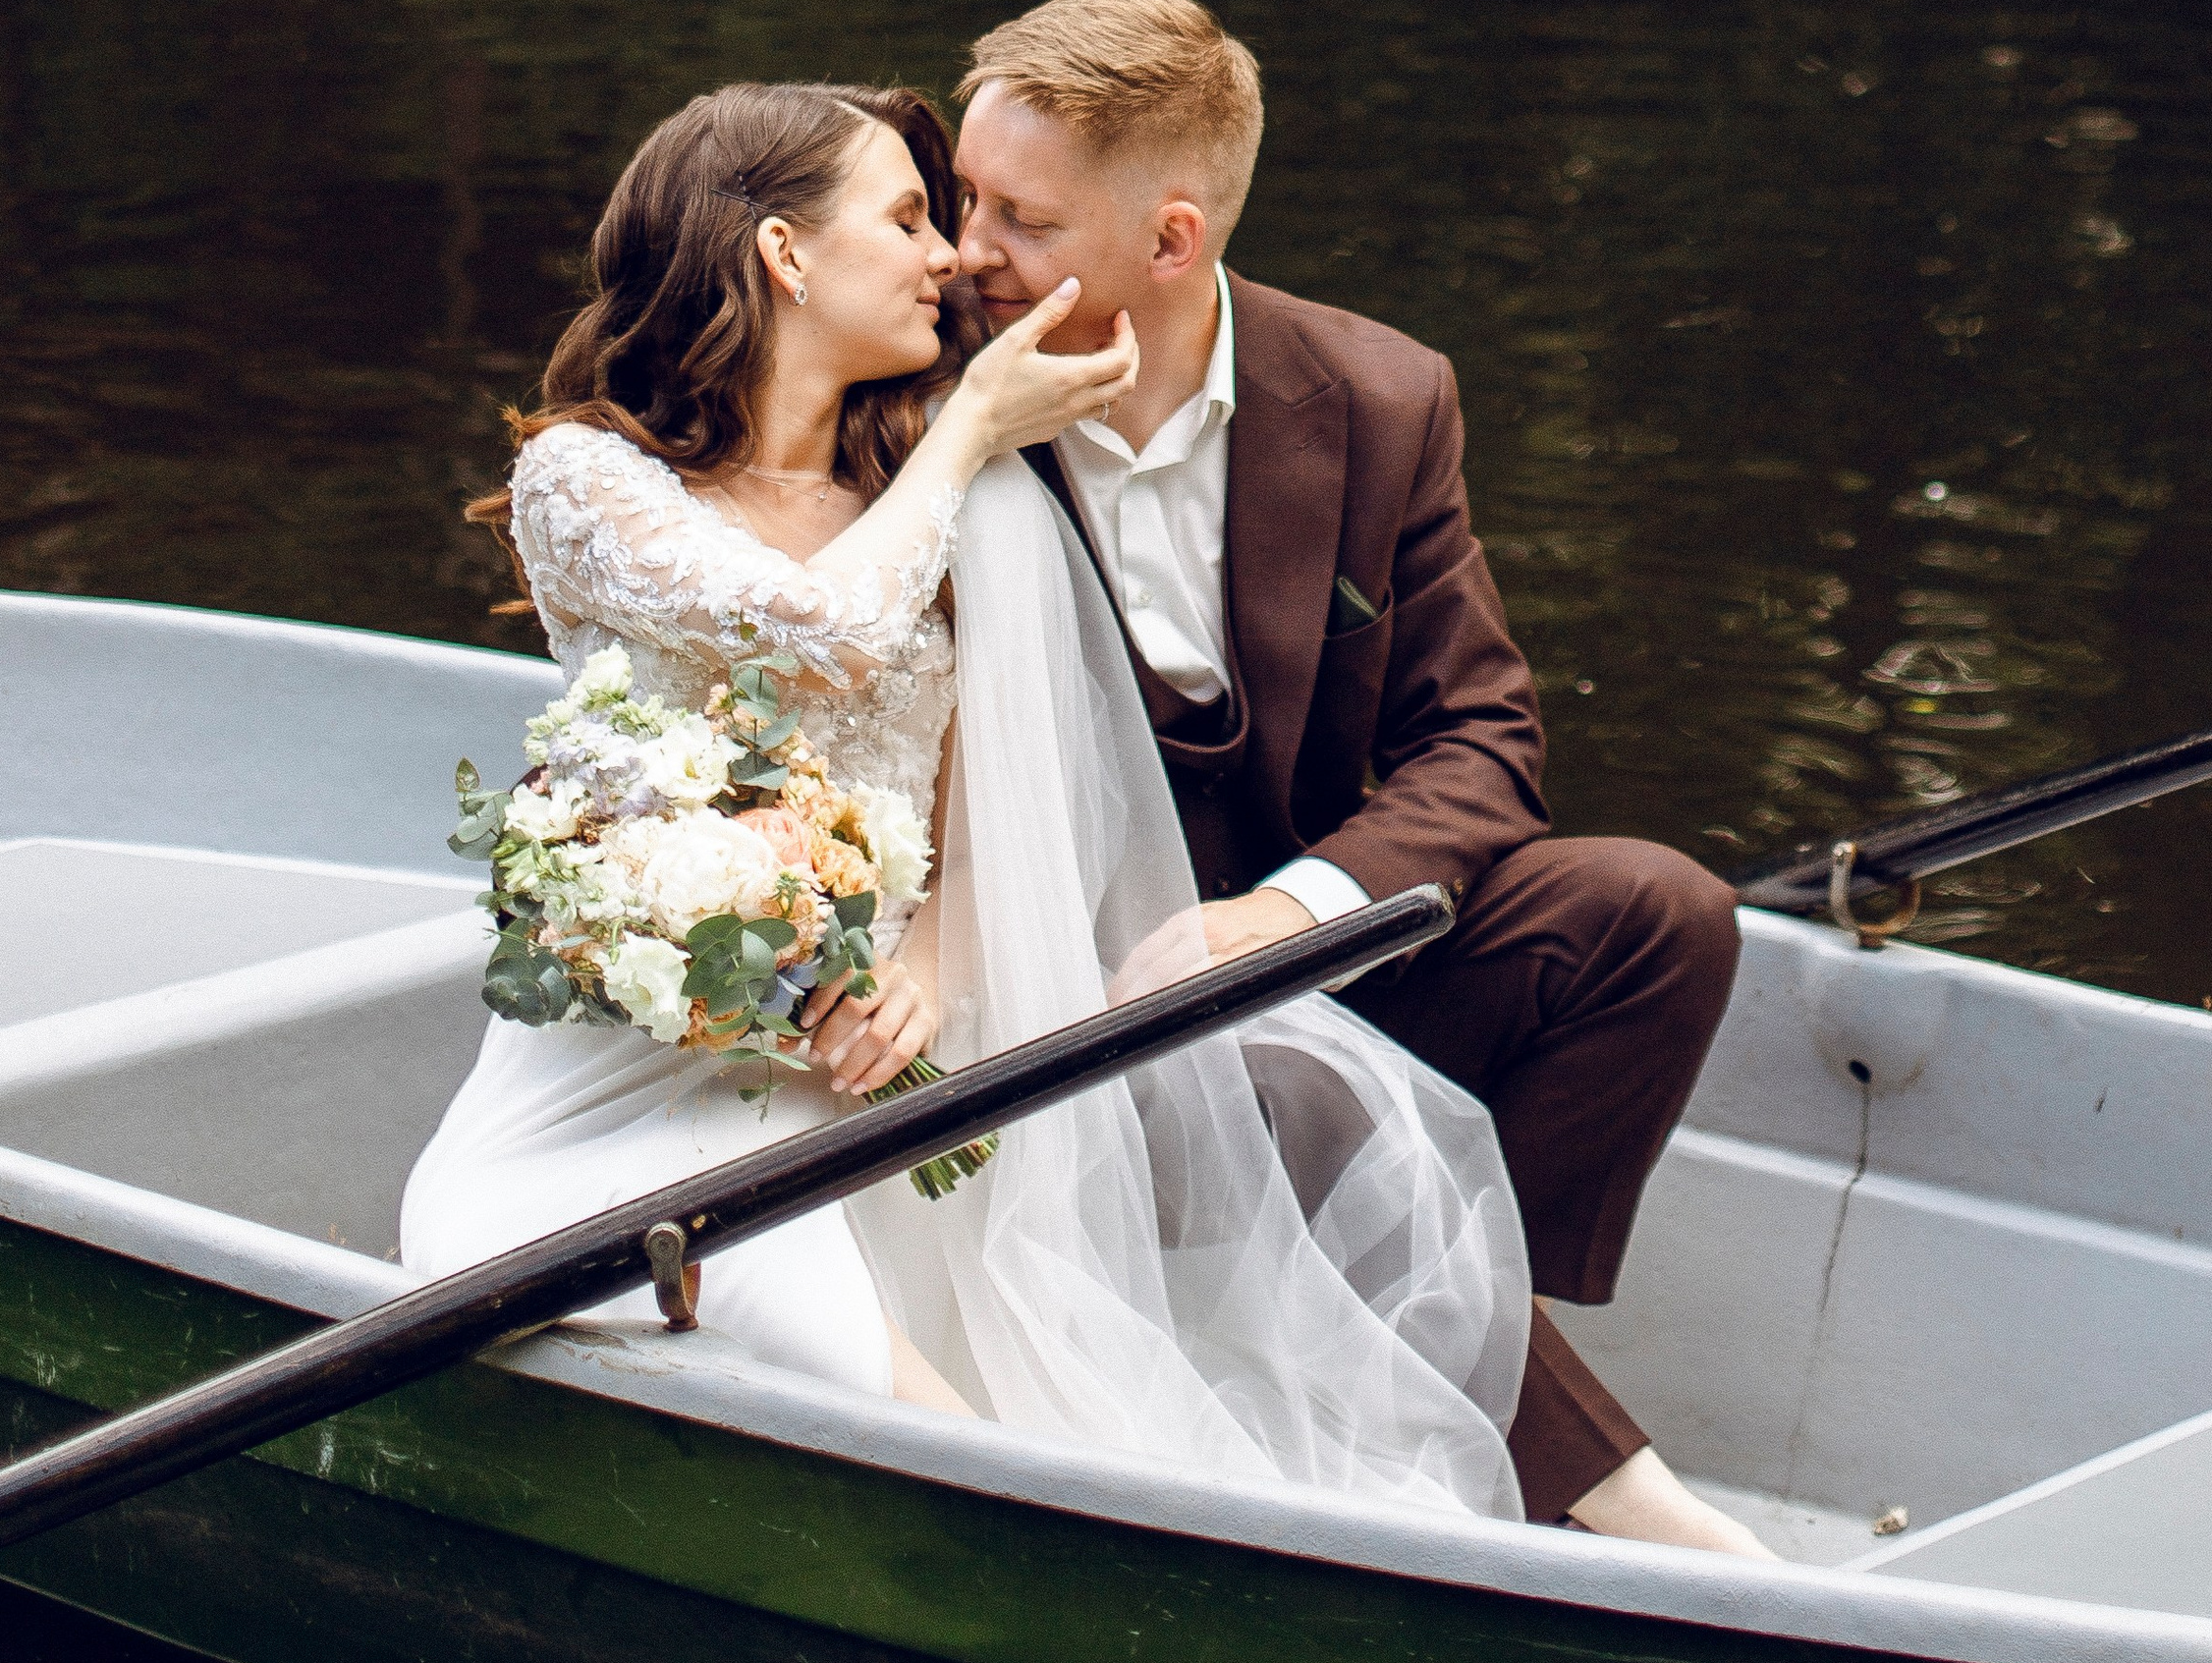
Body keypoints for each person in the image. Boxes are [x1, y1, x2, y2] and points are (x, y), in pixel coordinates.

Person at [402, 79, 1541, 1524]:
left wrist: (929, 970)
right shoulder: (589, 479)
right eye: (908, 219)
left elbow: (977, 793)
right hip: (622, 1063)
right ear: (783, 257)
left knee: (808, 1288)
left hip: (866, 1065)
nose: (950, 255)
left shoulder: (952, 497)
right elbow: (818, 631)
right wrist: (970, 432)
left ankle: (1068, 1540)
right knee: (551, 1259)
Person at [952, 0, 1762, 1554]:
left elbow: (1484, 740)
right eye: (965, 198)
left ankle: (1439, 1351)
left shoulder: (1382, 396)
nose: (966, 248)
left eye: (1019, 218)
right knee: (1268, 1082)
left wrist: (1293, 916)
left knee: (1659, 912)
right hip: (1054, 1010)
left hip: (1296, 973)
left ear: (1171, 241)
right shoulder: (931, 392)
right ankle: (1604, 1486)